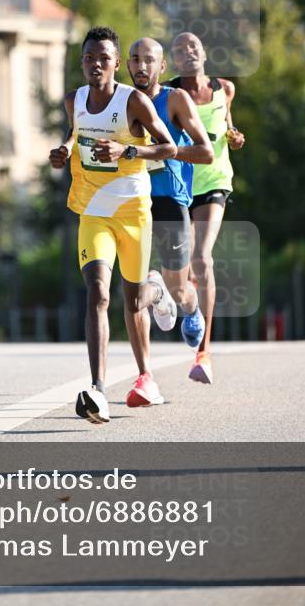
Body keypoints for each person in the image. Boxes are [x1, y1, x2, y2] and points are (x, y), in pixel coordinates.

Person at [49, 26, 178, 425]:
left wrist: (128, 150)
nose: (96, 65)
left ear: (116, 63)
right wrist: (64, 150)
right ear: (82, 62)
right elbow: (75, 132)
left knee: (134, 300)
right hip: (93, 212)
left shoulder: (134, 101)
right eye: (89, 58)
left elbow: (169, 146)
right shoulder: (74, 100)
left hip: (134, 211)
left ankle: (157, 291)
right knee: (98, 293)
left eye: (104, 58)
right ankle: (98, 389)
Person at [127, 38, 214, 401]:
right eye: (135, 59)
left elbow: (206, 152)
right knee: (132, 290)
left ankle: (188, 306)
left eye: (149, 60)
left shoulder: (175, 99)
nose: (141, 66)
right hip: (131, 201)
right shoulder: (121, 100)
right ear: (127, 66)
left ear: (161, 67)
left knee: (179, 288)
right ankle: (145, 377)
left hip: (169, 200)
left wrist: (162, 150)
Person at [167, 32, 246, 384]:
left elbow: (228, 126)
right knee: (178, 272)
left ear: (204, 54)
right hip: (178, 186)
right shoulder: (168, 94)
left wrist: (234, 136)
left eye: (193, 48)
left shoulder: (224, 89)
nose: (188, 53)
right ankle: (187, 307)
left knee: (202, 258)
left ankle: (204, 353)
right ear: (173, 61)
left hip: (214, 182)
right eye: (180, 50)